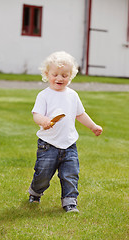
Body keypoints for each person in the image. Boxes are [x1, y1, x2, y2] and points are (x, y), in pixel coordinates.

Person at [28, 51, 103, 212]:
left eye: (64, 75)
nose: (60, 78)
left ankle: (69, 201)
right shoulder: (44, 96)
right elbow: (36, 115)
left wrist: (93, 126)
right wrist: (44, 121)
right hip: (48, 145)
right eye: (55, 74)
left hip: (69, 144)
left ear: (71, 76)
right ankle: (35, 192)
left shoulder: (73, 95)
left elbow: (80, 114)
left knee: (70, 174)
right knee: (43, 174)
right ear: (47, 74)